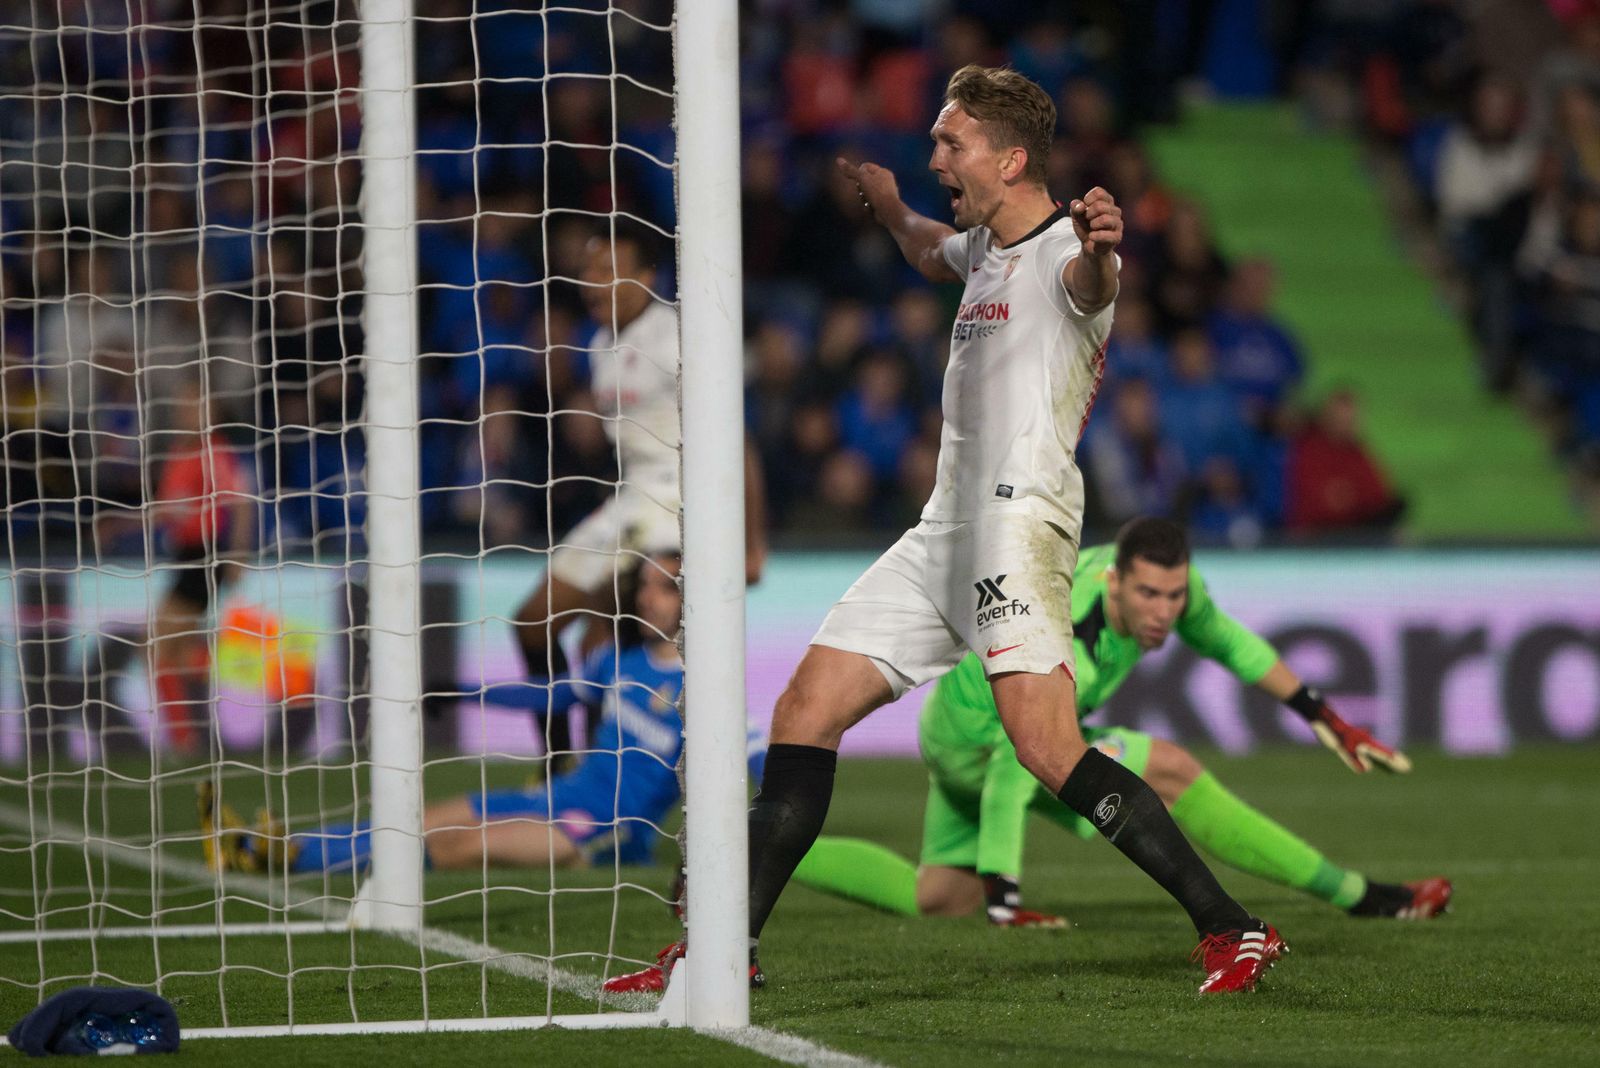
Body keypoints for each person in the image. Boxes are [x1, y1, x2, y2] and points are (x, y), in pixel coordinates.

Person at [607, 64, 1283, 998]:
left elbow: (1094, 281)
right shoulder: (983, 250)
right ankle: (722, 953)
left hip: (1019, 523)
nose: (932, 160)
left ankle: (1233, 928)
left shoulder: (1063, 252)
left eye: (948, 144)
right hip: (943, 530)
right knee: (806, 713)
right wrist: (888, 207)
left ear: (1010, 159)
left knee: (1046, 747)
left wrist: (1103, 246)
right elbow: (931, 249)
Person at [788, 518, 1451, 927]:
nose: (1164, 613)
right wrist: (1007, 894)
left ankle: (737, 855)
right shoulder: (1060, 624)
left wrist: (1320, 712)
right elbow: (1015, 768)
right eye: (1149, 596)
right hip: (977, 741)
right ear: (1113, 584)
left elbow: (1229, 641)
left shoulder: (1156, 588)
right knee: (1170, 769)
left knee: (936, 898)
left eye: (1174, 596)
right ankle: (1360, 897)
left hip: (958, 733)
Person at [200, 553, 696, 874]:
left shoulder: (702, 693)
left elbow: (755, 765)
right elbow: (547, 696)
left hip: (599, 830)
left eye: (665, 587)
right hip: (558, 794)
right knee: (412, 820)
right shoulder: (618, 661)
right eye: (645, 585)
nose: (647, 597)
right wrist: (461, 690)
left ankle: (281, 857)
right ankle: (260, 847)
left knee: (457, 843)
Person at [507, 222, 766, 763]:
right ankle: (560, 764)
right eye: (588, 272)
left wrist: (751, 544)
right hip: (630, 499)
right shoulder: (600, 342)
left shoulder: (678, 337)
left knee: (600, 642)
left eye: (609, 271)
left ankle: (604, 780)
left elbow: (736, 440)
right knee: (534, 623)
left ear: (647, 277)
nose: (594, 283)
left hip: (677, 506)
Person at [149, 383, 254, 754]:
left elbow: (241, 504)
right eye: (184, 404)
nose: (186, 411)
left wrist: (238, 556)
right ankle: (187, 736)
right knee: (172, 653)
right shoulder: (178, 453)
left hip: (204, 557)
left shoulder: (214, 452)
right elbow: (165, 511)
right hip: (182, 557)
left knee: (157, 647)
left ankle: (183, 736)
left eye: (196, 406)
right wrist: (120, 524)